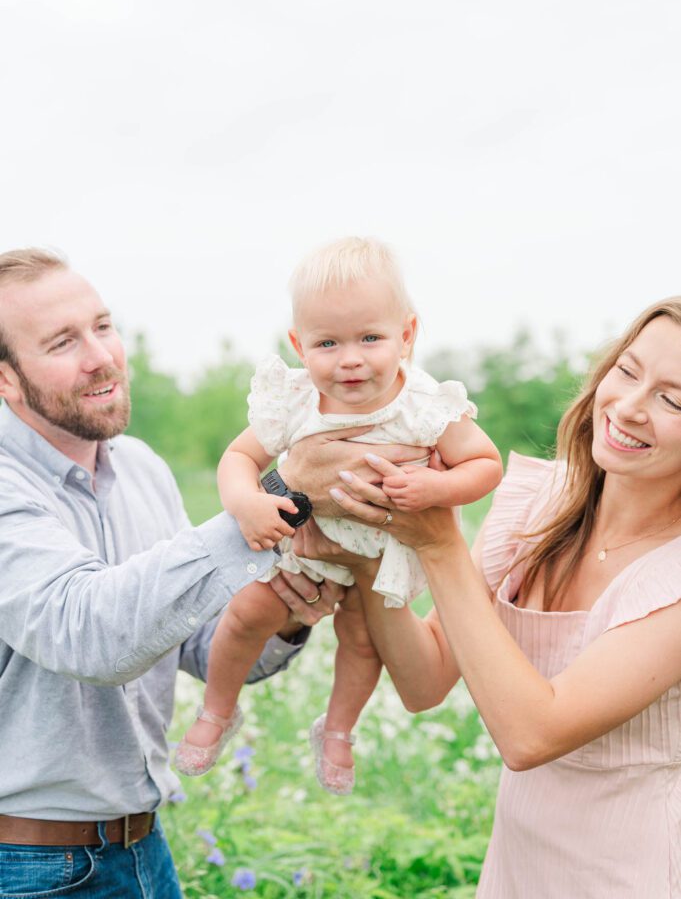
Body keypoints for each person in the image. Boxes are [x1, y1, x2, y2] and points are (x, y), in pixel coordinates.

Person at [0, 247, 390, 898]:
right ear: (5, 379)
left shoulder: (144, 470)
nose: (101, 355)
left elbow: (202, 648)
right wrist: (275, 497)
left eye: (102, 325)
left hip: (145, 851)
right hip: (28, 867)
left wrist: (287, 612)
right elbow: (89, 635)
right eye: (63, 342)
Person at [318, 296, 681, 897]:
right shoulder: (539, 504)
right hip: (520, 866)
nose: (630, 408)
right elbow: (425, 678)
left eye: (673, 400)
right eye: (627, 372)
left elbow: (530, 734)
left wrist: (440, 545)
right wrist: (365, 552)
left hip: (637, 873)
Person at [175, 237, 503, 794]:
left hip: (378, 553)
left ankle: (338, 729)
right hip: (303, 544)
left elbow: (486, 463)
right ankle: (217, 710)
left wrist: (436, 484)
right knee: (247, 612)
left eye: (370, 338)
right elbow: (240, 457)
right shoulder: (296, 400)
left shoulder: (424, 404)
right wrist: (246, 501)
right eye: (328, 342)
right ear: (300, 345)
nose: (350, 358)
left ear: (407, 335)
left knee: (362, 639)